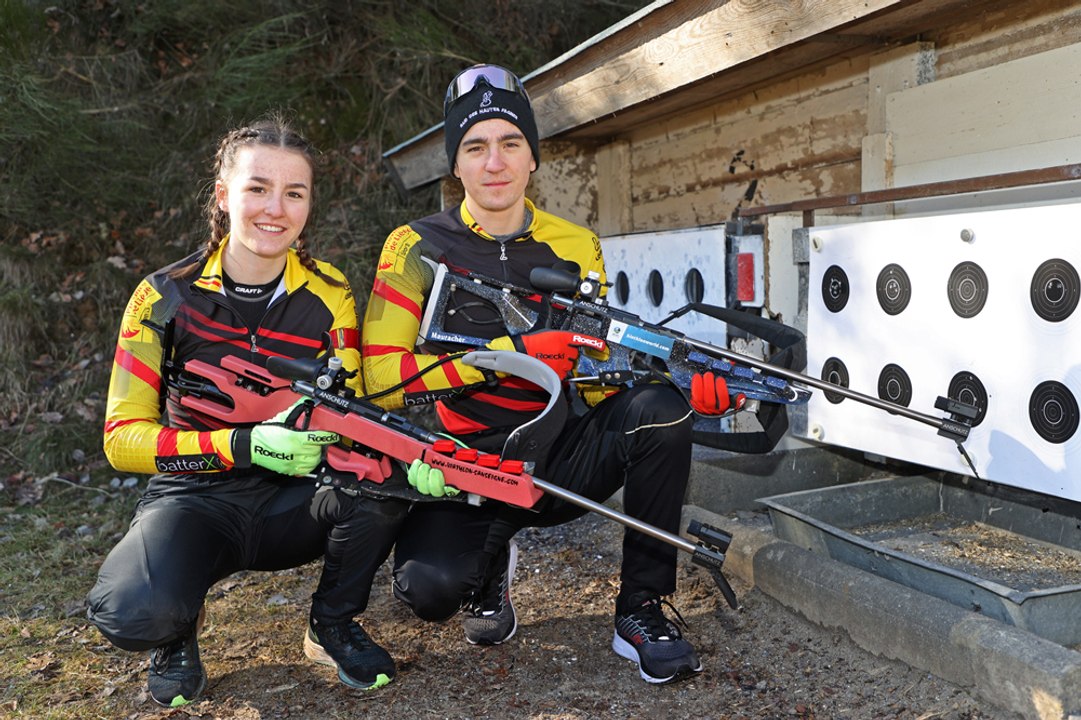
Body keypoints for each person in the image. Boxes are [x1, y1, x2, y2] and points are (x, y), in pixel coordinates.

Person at [361, 65, 738, 684]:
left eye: (511, 143)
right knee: (426, 591)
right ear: (454, 165)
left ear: (533, 157)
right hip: (461, 462)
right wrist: (512, 353)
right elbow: (380, 378)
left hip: (558, 456)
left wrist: (684, 386)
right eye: (475, 147)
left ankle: (641, 607)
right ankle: (487, 568)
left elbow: (596, 374)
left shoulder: (577, 245)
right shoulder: (413, 245)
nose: (495, 163)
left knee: (660, 405)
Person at [86, 116, 408, 706]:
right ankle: (177, 628)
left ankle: (331, 622)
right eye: (258, 187)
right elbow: (121, 438)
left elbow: (350, 410)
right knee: (133, 614)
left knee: (384, 483)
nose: (274, 208)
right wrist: (244, 444)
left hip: (297, 496)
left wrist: (407, 455)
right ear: (223, 195)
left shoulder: (330, 292)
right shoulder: (163, 295)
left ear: (310, 203)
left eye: (294, 192)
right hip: (195, 496)